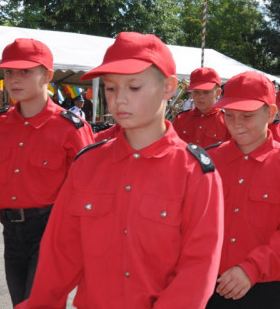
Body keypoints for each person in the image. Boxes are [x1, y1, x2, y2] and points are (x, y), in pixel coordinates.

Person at [16, 32, 224, 309]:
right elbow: (61, 254)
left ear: (168, 87)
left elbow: (198, 267)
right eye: (111, 88)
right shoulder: (88, 164)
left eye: (134, 87)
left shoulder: (195, 172)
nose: (119, 100)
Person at [0, 38, 94, 307]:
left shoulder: (71, 129)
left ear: (47, 76)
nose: (15, 79)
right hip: (12, 234)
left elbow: (89, 194)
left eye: (25, 71)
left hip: (54, 231)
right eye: (9, 72)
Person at [205, 71, 280, 309]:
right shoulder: (208, 161)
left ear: (271, 113)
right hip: (211, 285)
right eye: (229, 115)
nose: (236, 124)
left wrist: (251, 268)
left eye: (247, 116)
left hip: (268, 289)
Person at [172, 67, 231, 147]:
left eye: (206, 92)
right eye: (196, 92)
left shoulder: (228, 121)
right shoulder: (180, 119)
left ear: (218, 93)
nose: (200, 96)